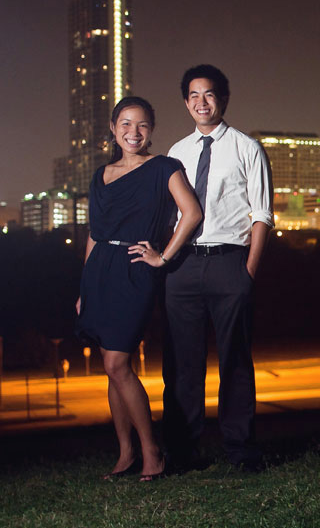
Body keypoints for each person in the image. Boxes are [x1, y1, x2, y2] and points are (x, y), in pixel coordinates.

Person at [76, 96, 202, 481]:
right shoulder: (101, 175)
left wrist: (162, 257)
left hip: (134, 271)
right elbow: (95, 235)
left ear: (151, 130)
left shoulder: (164, 167)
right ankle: (125, 454)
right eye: (126, 124)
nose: (134, 132)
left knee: (117, 363)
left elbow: (192, 213)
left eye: (143, 125)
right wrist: (84, 287)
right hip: (99, 272)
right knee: (113, 368)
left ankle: (152, 452)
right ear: (113, 130)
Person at [163, 64, 273, 472]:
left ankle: (241, 450)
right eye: (193, 96)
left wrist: (248, 273)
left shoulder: (247, 148)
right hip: (183, 267)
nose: (201, 102)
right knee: (182, 364)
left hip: (230, 263)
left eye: (208, 94)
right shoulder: (177, 152)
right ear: (186, 102)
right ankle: (183, 452)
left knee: (235, 361)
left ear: (223, 99)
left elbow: (262, 215)